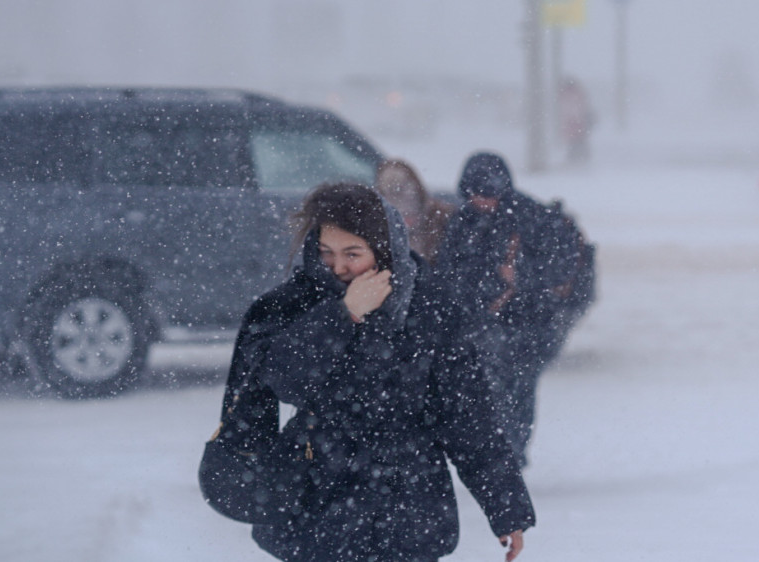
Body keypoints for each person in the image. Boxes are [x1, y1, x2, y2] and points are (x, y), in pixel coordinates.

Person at [233, 183, 534, 561]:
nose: (338, 267)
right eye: (327, 252)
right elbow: (282, 379)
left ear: (384, 250)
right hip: (316, 504)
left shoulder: (431, 310)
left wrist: (506, 508)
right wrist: (343, 316)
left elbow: (468, 419)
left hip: (408, 509)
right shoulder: (303, 299)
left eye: (352, 254)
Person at [436, 152, 582, 467]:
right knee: (489, 393)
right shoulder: (464, 221)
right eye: (475, 194)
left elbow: (561, 267)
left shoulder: (531, 217)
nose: (482, 202)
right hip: (483, 324)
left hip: (529, 322)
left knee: (518, 391)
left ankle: (511, 455)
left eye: (488, 193)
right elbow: (449, 270)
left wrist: (520, 278)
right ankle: (500, 454)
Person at [374, 158, 455, 265]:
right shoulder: (376, 227)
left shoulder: (443, 217)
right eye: (391, 192)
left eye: (403, 188)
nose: (401, 198)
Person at [557, 77, 595, 165]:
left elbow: (567, 109)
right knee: (578, 140)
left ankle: (576, 156)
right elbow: (581, 107)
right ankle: (580, 156)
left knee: (575, 141)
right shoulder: (577, 94)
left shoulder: (566, 95)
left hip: (573, 123)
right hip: (577, 123)